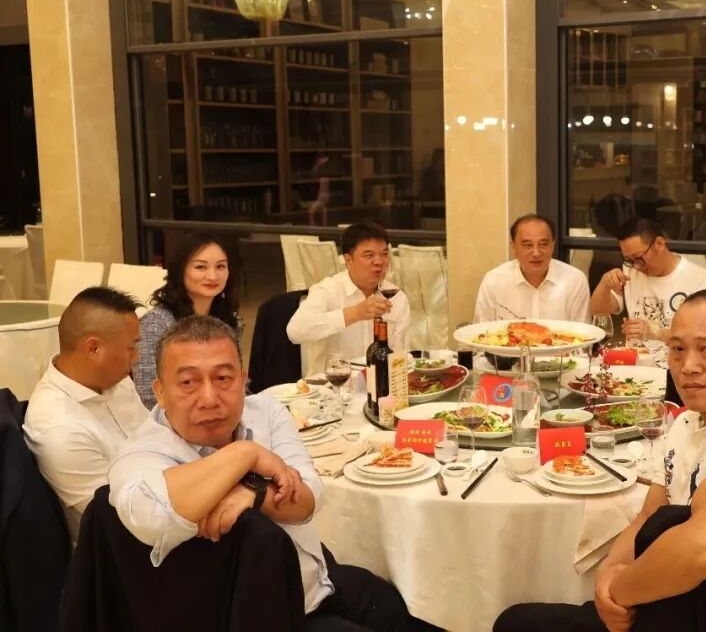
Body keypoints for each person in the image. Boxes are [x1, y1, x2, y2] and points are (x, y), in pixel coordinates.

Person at [494, 289, 706, 632]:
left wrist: (619, 592)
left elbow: (703, 549)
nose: (689, 367)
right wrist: (610, 571)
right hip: (670, 607)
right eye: (678, 349)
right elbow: (649, 514)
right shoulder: (688, 422)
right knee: (516, 620)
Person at [108, 316, 426, 631]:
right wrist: (246, 454)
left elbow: (308, 500)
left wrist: (253, 493)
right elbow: (156, 517)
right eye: (188, 382)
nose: (209, 399)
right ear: (160, 392)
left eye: (223, 378)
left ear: (243, 380)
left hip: (317, 578)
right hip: (259, 614)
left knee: (411, 611)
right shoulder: (141, 454)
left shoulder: (266, 411)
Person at [23, 286, 149, 539]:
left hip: (167, 495)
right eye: (131, 347)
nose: (136, 358)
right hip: (127, 543)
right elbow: (126, 520)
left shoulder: (114, 380)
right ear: (94, 349)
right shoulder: (59, 430)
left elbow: (155, 436)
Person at [133, 232, 239, 408]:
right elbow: (149, 395)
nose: (213, 276)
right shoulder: (155, 324)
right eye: (201, 267)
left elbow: (236, 381)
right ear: (180, 270)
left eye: (220, 267)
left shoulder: (228, 319)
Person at [589, 218, 706, 362]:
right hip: (635, 364)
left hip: (680, 366)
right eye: (629, 260)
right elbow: (598, 312)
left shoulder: (698, 278)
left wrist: (655, 332)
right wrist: (605, 284)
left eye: (638, 258)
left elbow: (704, 336)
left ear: (659, 244)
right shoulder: (630, 272)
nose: (636, 266)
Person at [287, 221, 411, 357]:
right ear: (348, 260)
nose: (379, 261)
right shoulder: (327, 290)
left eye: (384, 254)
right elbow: (295, 331)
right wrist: (355, 313)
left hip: (381, 370)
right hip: (335, 370)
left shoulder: (397, 297)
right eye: (369, 255)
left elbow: (400, 354)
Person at [473, 214, 590, 322]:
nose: (536, 253)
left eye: (543, 244)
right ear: (514, 247)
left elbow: (583, 334)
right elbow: (481, 332)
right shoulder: (494, 281)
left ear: (552, 246)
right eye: (528, 245)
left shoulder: (574, 280)